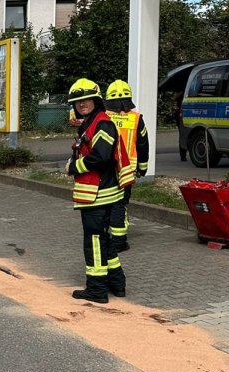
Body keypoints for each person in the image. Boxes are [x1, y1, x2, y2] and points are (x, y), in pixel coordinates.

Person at [65, 79, 126, 303]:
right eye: (78, 101)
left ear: (96, 100)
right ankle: (117, 283)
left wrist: (74, 167)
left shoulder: (102, 124)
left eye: (86, 99)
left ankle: (97, 289)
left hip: (98, 195)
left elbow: (101, 155)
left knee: (94, 242)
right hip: (97, 192)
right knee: (104, 240)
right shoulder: (91, 123)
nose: (82, 104)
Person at [105, 80, 148, 252]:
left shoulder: (103, 117)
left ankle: (104, 234)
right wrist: (142, 168)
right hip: (127, 170)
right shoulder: (136, 119)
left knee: (105, 201)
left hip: (105, 168)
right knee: (119, 204)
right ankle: (119, 241)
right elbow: (143, 145)